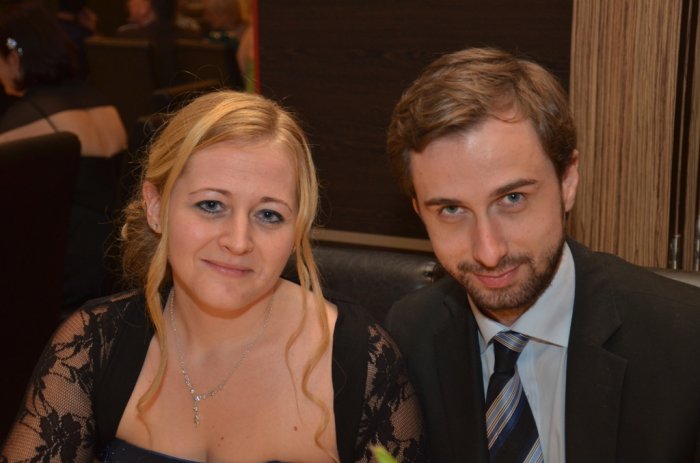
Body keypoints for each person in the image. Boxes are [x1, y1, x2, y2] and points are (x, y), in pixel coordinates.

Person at [1, 90, 427, 462]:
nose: (238, 241)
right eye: (211, 205)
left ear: (297, 231)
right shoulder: (92, 346)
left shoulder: (361, 364)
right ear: (156, 207)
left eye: (269, 215)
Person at [384, 46, 700, 462]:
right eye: (451, 210)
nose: (489, 252)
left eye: (513, 198)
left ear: (567, 181)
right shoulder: (409, 335)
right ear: (418, 211)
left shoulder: (687, 342)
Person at [0, 1, 127, 312]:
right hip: (119, 263)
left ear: (14, 58)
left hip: (66, 277)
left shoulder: (27, 118)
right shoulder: (103, 101)